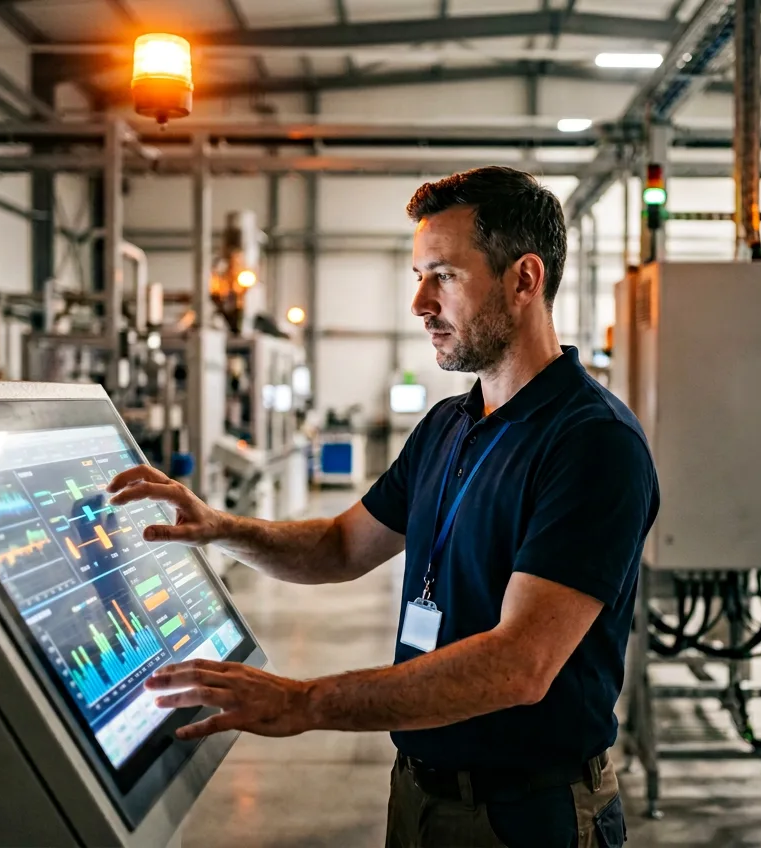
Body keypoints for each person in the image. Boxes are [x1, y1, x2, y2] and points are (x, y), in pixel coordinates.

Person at [107, 166, 659, 848]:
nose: (420, 303)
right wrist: (219, 528)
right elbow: (342, 546)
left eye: (444, 276)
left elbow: (520, 664)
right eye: (419, 276)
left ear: (524, 280)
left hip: (529, 813)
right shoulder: (448, 426)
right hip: (419, 792)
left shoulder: (591, 442)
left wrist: (304, 701)